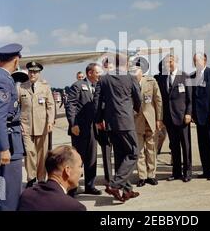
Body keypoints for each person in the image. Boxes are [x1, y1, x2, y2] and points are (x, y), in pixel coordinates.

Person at [94, 54, 142, 202]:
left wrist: (98, 120)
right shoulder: (130, 78)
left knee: (121, 155)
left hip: (110, 124)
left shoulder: (103, 79)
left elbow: (97, 101)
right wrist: (133, 110)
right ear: (125, 64)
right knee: (134, 153)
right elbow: (138, 99)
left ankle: (127, 190)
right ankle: (115, 185)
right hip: (126, 122)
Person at [66, 63, 101, 195]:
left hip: (93, 129)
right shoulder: (78, 85)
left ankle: (90, 186)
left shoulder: (97, 86)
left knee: (92, 158)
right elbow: (71, 105)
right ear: (90, 73)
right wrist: (73, 124)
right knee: (77, 159)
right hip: (79, 128)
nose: (99, 75)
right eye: (97, 72)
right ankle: (73, 188)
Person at [18, 61, 55, 187]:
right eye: (30, 71)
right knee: (29, 152)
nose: (32, 74)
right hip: (26, 126)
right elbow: (16, 106)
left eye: (35, 72)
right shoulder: (21, 87)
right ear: (28, 72)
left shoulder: (45, 87)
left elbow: (50, 105)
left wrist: (50, 121)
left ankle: (41, 178)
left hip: (42, 125)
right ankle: (31, 178)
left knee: (42, 154)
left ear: (39, 73)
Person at [157, 54, 192, 182]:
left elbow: (190, 98)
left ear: (176, 62)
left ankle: (187, 172)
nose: (168, 64)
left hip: (183, 117)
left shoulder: (185, 76)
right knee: (174, 146)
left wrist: (188, 113)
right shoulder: (162, 78)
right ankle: (176, 172)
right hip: (169, 118)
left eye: (170, 62)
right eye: (166, 62)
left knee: (186, 146)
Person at [18, 145, 86, 211]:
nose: (81, 173)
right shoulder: (74, 207)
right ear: (67, 170)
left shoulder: (27, 195)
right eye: (80, 166)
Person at [0, 43, 25, 211]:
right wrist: (4, 148)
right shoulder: (4, 79)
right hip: (8, 141)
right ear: (16, 61)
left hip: (8, 137)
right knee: (10, 193)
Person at [191, 53, 210, 180]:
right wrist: (192, 114)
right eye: (194, 60)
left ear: (205, 60)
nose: (196, 62)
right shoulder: (192, 76)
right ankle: (206, 170)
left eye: (198, 60)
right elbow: (192, 97)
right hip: (199, 117)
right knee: (202, 145)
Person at [131, 64, 163, 187]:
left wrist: (159, 119)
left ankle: (151, 175)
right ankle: (142, 176)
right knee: (139, 150)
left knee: (151, 148)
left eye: (136, 72)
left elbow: (158, 100)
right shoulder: (129, 83)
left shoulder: (151, 81)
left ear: (141, 72)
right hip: (136, 120)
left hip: (150, 119)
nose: (134, 75)